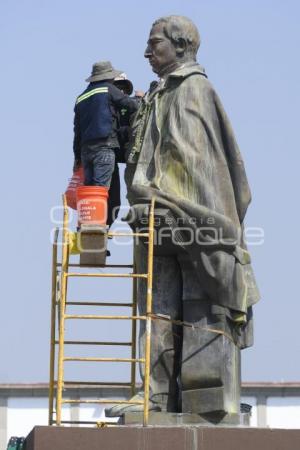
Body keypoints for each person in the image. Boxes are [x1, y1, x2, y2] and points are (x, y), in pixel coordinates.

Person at [106, 16, 260, 424]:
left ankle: (204, 398)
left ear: (181, 45)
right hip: (156, 220)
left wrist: (194, 215)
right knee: (155, 310)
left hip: (195, 222)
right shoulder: (157, 95)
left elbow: (206, 167)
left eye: (154, 43)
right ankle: (152, 398)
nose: (146, 52)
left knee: (201, 307)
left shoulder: (196, 91)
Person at [73, 61, 138, 191]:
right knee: (100, 191)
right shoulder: (108, 88)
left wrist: (77, 158)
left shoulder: (80, 98)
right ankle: (100, 211)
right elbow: (131, 105)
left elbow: (77, 132)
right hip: (104, 147)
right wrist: (140, 99)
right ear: (107, 77)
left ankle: (93, 211)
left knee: (90, 190)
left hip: (86, 151)